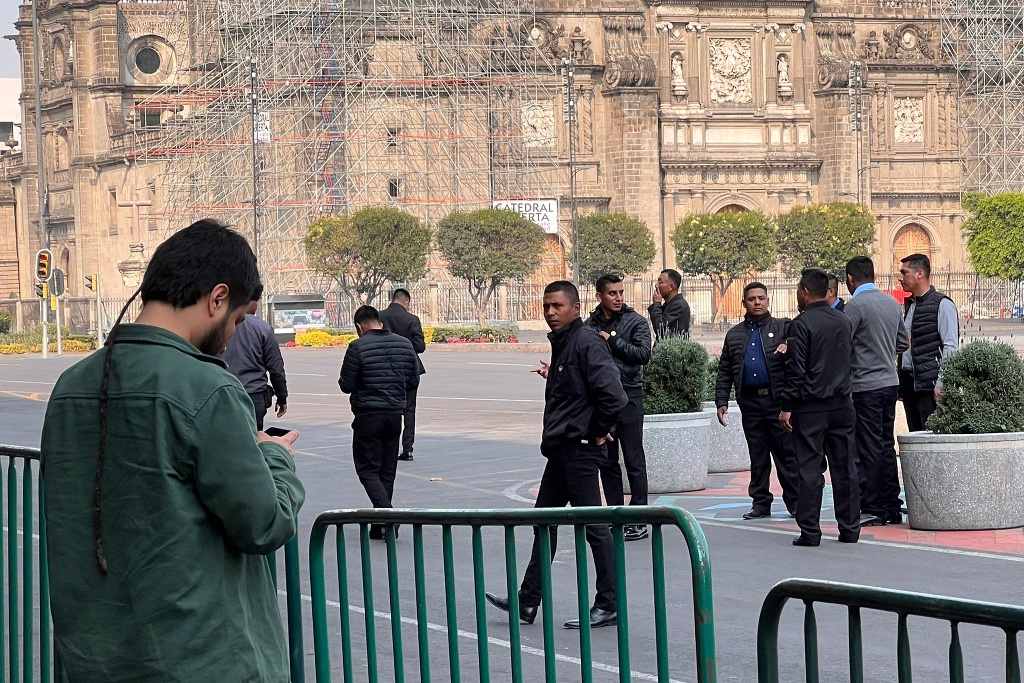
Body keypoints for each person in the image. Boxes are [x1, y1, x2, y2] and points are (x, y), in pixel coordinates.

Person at [41, 220, 305, 681]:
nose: (232, 336)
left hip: (94, 659)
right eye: (238, 320)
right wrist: (273, 456)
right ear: (217, 298)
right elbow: (263, 523)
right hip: (199, 660)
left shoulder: (71, 386)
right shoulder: (206, 386)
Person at [486, 281, 627, 629]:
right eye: (547, 306)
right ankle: (528, 600)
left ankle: (608, 603)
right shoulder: (566, 344)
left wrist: (596, 430)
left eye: (558, 306)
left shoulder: (586, 342)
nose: (551, 312)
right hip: (561, 452)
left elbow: (615, 396)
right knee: (543, 523)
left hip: (579, 451)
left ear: (576, 308)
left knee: (594, 528)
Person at [779, 268, 860, 547]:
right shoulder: (843, 320)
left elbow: (796, 369)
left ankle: (811, 531)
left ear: (804, 291)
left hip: (810, 407)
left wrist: (786, 406)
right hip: (842, 403)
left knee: (809, 469)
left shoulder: (800, 325)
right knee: (845, 467)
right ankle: (850, 528)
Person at [715, 282, 799, 519]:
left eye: (761, 298)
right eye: (752, 299)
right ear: (744, 303)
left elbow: (803, 339)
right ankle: (761, 503)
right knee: (758, 456)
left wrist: (788, 343)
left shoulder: (783, 327)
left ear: (768, 300)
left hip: (777, 402)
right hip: (750, 404)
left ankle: (795, 502)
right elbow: (725, 370)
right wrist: (721, 400)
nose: (757, 302)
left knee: (786, 455)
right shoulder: (734, 335)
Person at [339, 305, 420, 539]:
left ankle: (389, 516)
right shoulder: (404, 344)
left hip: (368, 415)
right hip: (395, 415)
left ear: (359, 327)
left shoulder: (357, 347)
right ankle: (380, 524)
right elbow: (413, 380)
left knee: (366, 470)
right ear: (379, 322)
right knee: (386, 470)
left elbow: (346, 385)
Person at [844, 256, 910, 526]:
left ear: (850, 279)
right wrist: (883, 351)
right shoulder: (891, 304)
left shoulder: (854, 307)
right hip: (889, 383)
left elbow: (842, 343)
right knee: (884, 444)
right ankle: (892, 503)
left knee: (868, 446)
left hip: (864, 385)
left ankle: (873, 506)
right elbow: (903, 342)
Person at [586, 274, 652, 541]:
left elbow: (643, 354)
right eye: (612, 293)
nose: (618, 297)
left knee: (634, 459)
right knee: (608, 462)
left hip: (629, 397)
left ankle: (639, 518)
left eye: (620, 292)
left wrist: (611, 340)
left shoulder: (636, 321)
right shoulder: (588, 325)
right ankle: (616, 515)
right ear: (599, 296)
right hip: (601, 401)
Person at [897, 253, 959, 432]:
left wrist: (942, 383)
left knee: (932, 439)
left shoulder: (942, 304)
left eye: (904, 273)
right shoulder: (911, 305)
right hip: (911, 386)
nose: (901, 279)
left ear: (920, 274)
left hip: (930, 387)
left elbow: (950, 346)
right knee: (915, 438)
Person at [222, 284, 288, 430]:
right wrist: (282, 396)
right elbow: (276, 368)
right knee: (253, 440)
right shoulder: (263, 328)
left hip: (223, 395)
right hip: (254, 397)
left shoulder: (218, 324)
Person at [378, 288, 427, 461]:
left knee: (386, 409)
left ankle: (387, 448)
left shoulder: (380, 317)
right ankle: (408, 449)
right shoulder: (411, 319)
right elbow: (420, 347)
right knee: (409, 409)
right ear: (406, 302)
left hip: (384, 369)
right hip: (409, 369)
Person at [648, 268, 691, 341]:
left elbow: (659, 328)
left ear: (671, 286)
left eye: (660, 282)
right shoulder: (669, 304)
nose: (656, 285)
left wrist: (656, 304)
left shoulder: (679, 305)